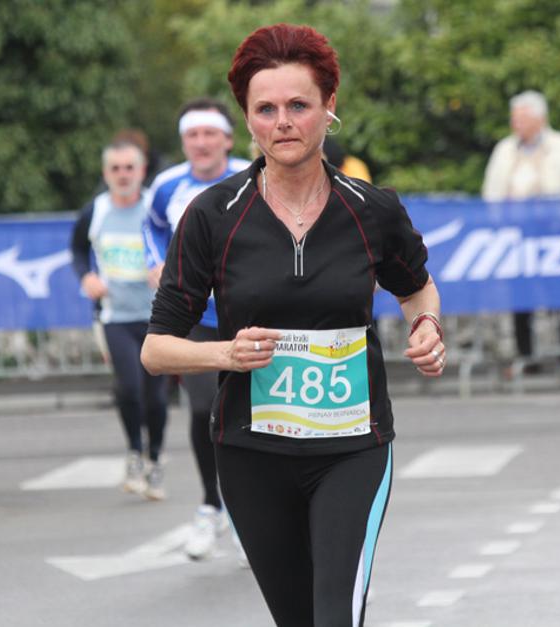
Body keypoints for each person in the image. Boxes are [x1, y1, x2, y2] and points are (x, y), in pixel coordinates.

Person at [141, 23, 445, 627]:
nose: (283, 122)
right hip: (251, 451)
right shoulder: (212, 215)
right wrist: (225, 354)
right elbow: (156, 349)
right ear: (247, 120)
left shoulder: (373, 209)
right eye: (266, 109)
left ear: (329, 107)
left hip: (353, 446)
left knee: (334, 617)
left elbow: (416, 289)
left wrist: (427, 326)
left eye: (299, 106)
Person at [142, 98, 250, 559]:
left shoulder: (253, 175)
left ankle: (250, 513)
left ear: (227, 139)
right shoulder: (167, 186)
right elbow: (151, 227)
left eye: (210, 134)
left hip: (251, 317)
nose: (201, 143)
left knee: (254, 415)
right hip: (197, 319)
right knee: (205, 410)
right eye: (192, 135)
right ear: (183, 142)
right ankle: (211, 505)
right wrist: (156, 264)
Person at [70, 140, 169, 499]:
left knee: (156, 397)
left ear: (142, 171)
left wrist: (168, 269)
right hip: (115, 317)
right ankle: (134, 453)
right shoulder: (95, 211)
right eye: (116, 168)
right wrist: (86, 277)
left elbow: (181, 244)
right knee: (129, 388)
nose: (123, 175)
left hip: (159, 316)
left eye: (130, 168)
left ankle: (155, 459)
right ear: (105, 173)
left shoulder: (155, 208)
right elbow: (78, 249)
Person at [482, 90, 560, 378]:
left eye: (522, 118)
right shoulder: (505, 149)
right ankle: (526, 356)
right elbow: (491, 190)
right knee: (520, 298)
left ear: (540, 118)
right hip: (516, 235)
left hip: (553, 234)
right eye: (514, 118)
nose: (516, 124)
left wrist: (559, 219)